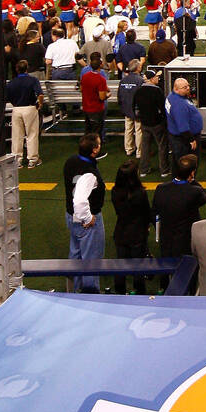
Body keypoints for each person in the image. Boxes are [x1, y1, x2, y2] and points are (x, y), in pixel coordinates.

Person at [63, 132, 106, 292]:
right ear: (94, 150)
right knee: (91, 261)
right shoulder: (89, 173)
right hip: (85, 220)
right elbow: (80, 200)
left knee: (75, 254)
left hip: (70, 216)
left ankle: (73, 293)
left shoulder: (70, 161)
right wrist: (87, 217)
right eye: (99, 144)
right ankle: (90, 295)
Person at [154, 153, 206, 271]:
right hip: (186, 242)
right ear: (192, 173)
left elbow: (154, 210)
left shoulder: (161, 189)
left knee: (166, 271)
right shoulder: (194, 192)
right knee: (187, 274)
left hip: (166, 240)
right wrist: (192, 180)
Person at [111, 160, 153, 295]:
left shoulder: (115, 191)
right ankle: (140, 293)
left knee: (121, 266)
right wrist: (147, 226)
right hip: (137, 234)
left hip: (121, 233)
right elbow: (146, 212)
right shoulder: (140, 193)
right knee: (138, 267)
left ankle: (120, 293)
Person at [6, 58, 44, 168]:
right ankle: (32, 159)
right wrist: (40, 104)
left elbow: (8, 97)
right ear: (27, 68)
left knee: (17, 135)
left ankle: (17, 159)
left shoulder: (12, 82)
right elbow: (40, 95)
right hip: (30, 108)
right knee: (31, 134)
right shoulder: (32, 80)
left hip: (17, 109)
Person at [136, 67, 170, 178]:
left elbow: (135, 107)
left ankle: (143, 170)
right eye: (156, 77)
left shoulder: (139, 90)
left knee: (145, 146)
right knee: (162, 146)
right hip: (157, 123)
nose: (158, 78)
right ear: (151, 79)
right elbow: (163, 107)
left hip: (144, 123)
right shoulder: (157, 91)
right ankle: (164, 170)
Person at [165, 76, 203, 165]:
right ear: (176, 89)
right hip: (183, 139)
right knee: (187, 163)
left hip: (176, 136)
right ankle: (188, 178)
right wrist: (191, 139)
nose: (188, 88)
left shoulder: (172, 96)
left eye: (188, 86)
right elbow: (183, 127)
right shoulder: (179, 105)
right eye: (185, 87)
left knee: (177, 161)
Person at [80, 51, 109, 151]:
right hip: (96, 107)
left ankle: (86, 148)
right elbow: (102, 97)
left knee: (88, 129)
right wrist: (108, 94)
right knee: (97, 130)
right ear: (100, 65)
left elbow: (81, 88)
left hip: (86, 106)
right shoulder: (101, 78)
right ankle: (95, 149)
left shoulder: (85, 75)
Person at [117, 59, 145, 158]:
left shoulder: (123, 80)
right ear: (138, 68)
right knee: (139, 130)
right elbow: (142, 97)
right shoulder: (140, 81)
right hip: (137, 110)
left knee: (128, 129)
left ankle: (129, 149)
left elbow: (119, 95)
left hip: (126, 109)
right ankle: (139, 152)